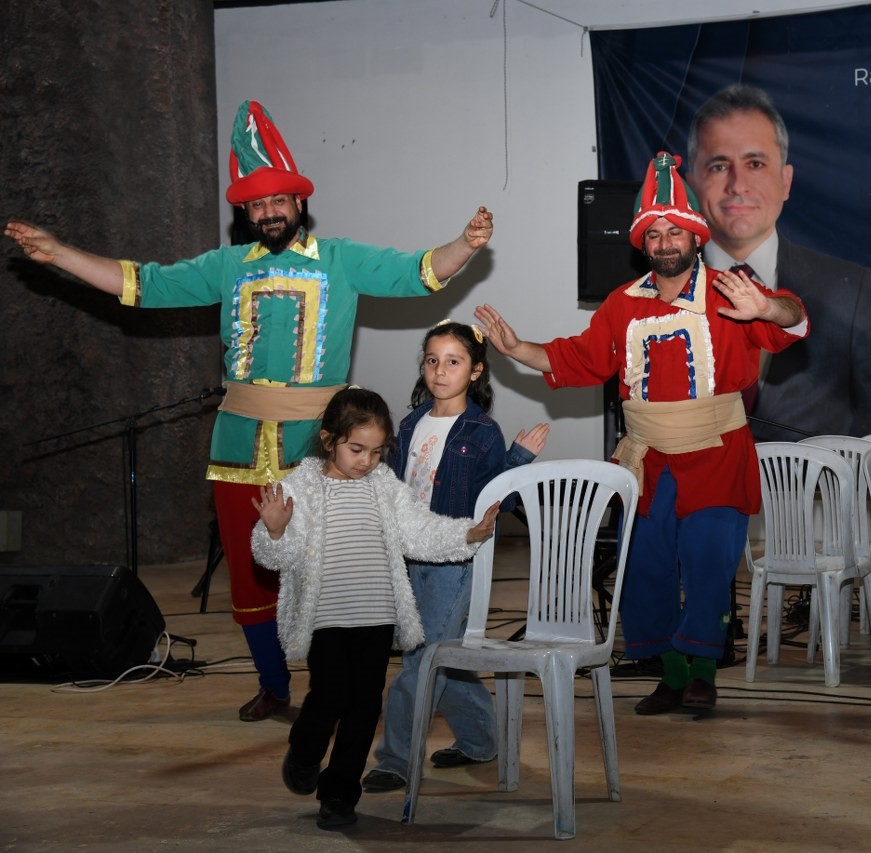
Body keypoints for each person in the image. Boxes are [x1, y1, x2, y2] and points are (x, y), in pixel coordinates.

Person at [3, 100, 493, 722]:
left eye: (278, 201)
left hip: (321, 450)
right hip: (237, 445)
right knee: (251, 577)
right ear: (245, 211)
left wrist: (466, 244)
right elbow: (143, 285)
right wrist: (61, 254)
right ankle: (273, 683)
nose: (268, 212)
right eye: (256, 204)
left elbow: (419, 272)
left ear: (298, 203)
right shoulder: (226, 267)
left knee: (330, 573)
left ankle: (330, 688)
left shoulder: (339, 259)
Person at [476, 151, 807, 714]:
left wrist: (766, 308)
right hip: (647, 460)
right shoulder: (621, 305)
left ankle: (703, 673)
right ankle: (671, 675)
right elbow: (578, 358)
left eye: (675, 230)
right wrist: (516, 350)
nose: (665, 242)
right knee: (645, 569)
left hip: (717, 451)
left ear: (696, 235)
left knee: (707, 565)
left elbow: (793, 320)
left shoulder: (733, 289)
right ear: (642, 243)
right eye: (653, 234)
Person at [250, 387, 500, 830]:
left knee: (364, 706)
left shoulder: (384, 486)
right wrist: (273, 532)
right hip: (326, 617)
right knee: (331, 695)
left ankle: (339, 794)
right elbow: (276, 559)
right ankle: (306, 749)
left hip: (378, 616)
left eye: (377, 451)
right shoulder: (299, 488)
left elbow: (419, 531)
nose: (366, 460)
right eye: (356, 449)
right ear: (329, 440)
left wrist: (467, 534)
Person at [361, 321, 549, 793]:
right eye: (432, 360)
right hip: (409, 555)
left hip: (455, 559)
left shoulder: (482, 432)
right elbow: (394, 489)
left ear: (475, 371)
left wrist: (517, 460)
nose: (440, 371)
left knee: (422, 659)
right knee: (447, 657)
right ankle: (481, 741)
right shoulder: (409, 424)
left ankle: (397, 760)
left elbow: (497, 501)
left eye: (453, 361)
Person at [686, 84, 871, 440]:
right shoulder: (658, 293)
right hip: (700, 492)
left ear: (785, 181)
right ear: (692, 186)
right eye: (719, 166)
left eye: (755, 163)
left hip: (815, 495)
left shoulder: (847, 289)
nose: (738, 185)